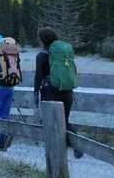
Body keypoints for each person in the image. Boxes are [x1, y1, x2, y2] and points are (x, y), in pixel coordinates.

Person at [35, 27, 83, 159]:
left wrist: (35, 93)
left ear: (42, 40)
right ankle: (73, 145)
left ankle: (64, 150)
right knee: (64, 120)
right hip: (67, 91)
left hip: (50, 91)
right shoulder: (63, 53)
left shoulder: (42, 55)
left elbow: (38, 76)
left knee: (52, 121)